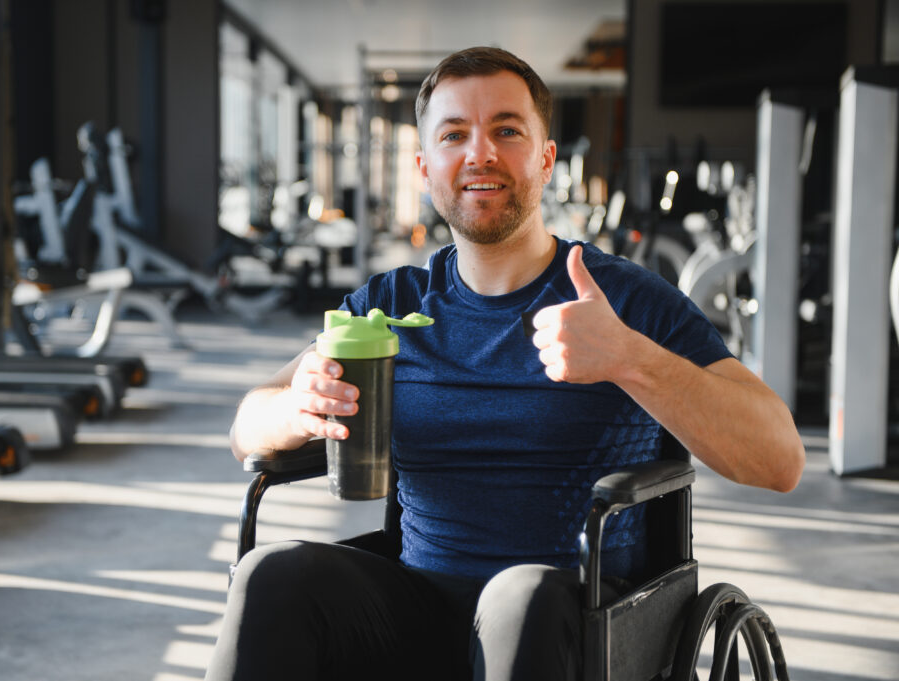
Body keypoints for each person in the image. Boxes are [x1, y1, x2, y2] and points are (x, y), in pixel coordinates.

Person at [206, 46, 805, 681]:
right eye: (454, 134)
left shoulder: (622, 299)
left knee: (519, 597)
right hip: (417, 610)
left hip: (581, 617)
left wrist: (631, 359)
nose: (479, 153)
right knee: (272, 575)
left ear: (545, 159)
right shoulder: (387, 306)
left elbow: (780, 460)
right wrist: (297, 405)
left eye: (506, 131)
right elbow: (246, 427)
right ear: (425, 166)